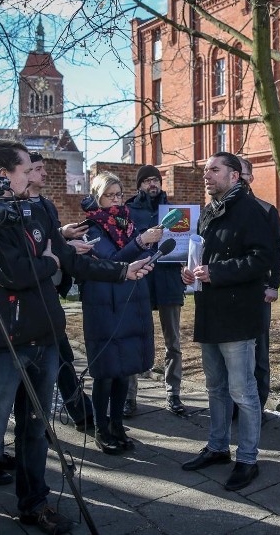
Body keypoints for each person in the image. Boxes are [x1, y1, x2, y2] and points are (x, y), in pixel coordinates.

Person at [0, 139, 151, 535]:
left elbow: (68, 260)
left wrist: (120, 272)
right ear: (4, 174)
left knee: (36, 429)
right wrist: (46, 259)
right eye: (29, 169)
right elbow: (12, 273)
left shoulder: (42, 208)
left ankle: (35, 505)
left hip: (45, 337)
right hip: (0, 342)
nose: (38, 174)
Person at [180, 152, 273, 492]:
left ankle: (248, 458)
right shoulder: (208, 211)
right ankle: (218, 447)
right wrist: (191, 271)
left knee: (243, 392)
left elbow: (261, 259)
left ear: (234, 176)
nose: (207, 175)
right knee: (215, 388)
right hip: (209, 313)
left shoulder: (251, 210)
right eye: (205, 170)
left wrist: (216, 272)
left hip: (237, 316)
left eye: (214, 170)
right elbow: (204, 253)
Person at [79, 172, 162, 453]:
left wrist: (150, 247)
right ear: (97, 197)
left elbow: (134, 255)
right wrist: (139, 244)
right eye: (109, 195)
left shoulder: (127, 223)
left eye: (118, 194)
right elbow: (111, 261)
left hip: (129, 300)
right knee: (105, 372)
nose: (115, 200)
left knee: (124, 369)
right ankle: (101, 429)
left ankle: (116, 424)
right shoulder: (91, 226)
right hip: (104, 304)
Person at [25, 153, 96, 430]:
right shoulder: (14, 207)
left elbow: (50, 238)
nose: (44, 173)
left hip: (49, 293)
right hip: (26, 297)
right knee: (44, 364)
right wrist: (64, 245)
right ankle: (38, 424)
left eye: (44, 168)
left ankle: (80, 411)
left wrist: (62, 234)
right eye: (38, 169)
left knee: (63, 357)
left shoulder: (47, 205)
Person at [124, 164, 188, 416]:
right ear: (139, 185)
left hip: (169, 281)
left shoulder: (176, 211)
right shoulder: (128, 211)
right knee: (134, 338)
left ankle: (173, 393)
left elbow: (185, 246)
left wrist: (186, 265)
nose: (152, 184)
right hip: (140, 280)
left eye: (156, 180)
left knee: (173, 341)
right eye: (147, 180)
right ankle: (130, 396)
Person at [237, 157, 280, 415]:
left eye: (242, 173)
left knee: (258, 352)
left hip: (258, 292)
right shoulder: (219, 210)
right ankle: (235, 405)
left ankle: (257, 406)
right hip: (229, 293)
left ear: (250, 178)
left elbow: (278, 250)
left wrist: (274, 284)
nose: (237, 178)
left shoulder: (266, 210)